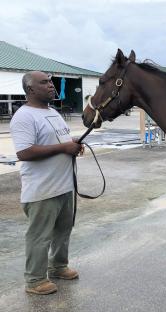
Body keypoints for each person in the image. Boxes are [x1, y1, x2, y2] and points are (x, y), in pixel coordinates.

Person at [10, 71, 83, 295]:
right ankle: (35, 280)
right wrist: (63, 148)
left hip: (64, 185)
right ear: (31, 90)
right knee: (40, 236)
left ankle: (58, 267)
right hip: (42, 190)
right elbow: (24, 152)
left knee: (63, 231)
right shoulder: (24, 116)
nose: (51, 86)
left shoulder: (52, 112)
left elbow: (57, 141)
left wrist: (71, 143)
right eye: (45, 83)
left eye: (51, 81)